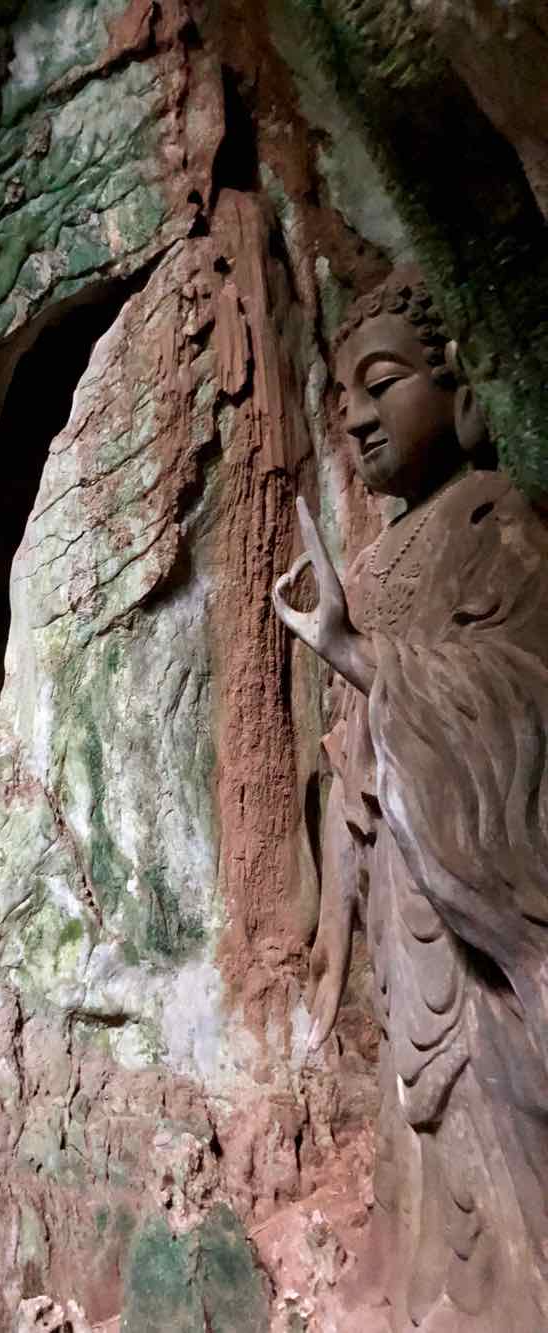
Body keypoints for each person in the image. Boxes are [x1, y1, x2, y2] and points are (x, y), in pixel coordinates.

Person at [272, 269, 548, 1330]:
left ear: (460, 384)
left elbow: (523, 692)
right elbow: (362, 743)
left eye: (380, 384)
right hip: (403, 896)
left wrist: (360, 655)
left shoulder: (498, 519)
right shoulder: (380, 559)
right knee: (428, 1133)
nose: (353, 418)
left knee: (500, 1107)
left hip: (474, 892)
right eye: (342, 398)